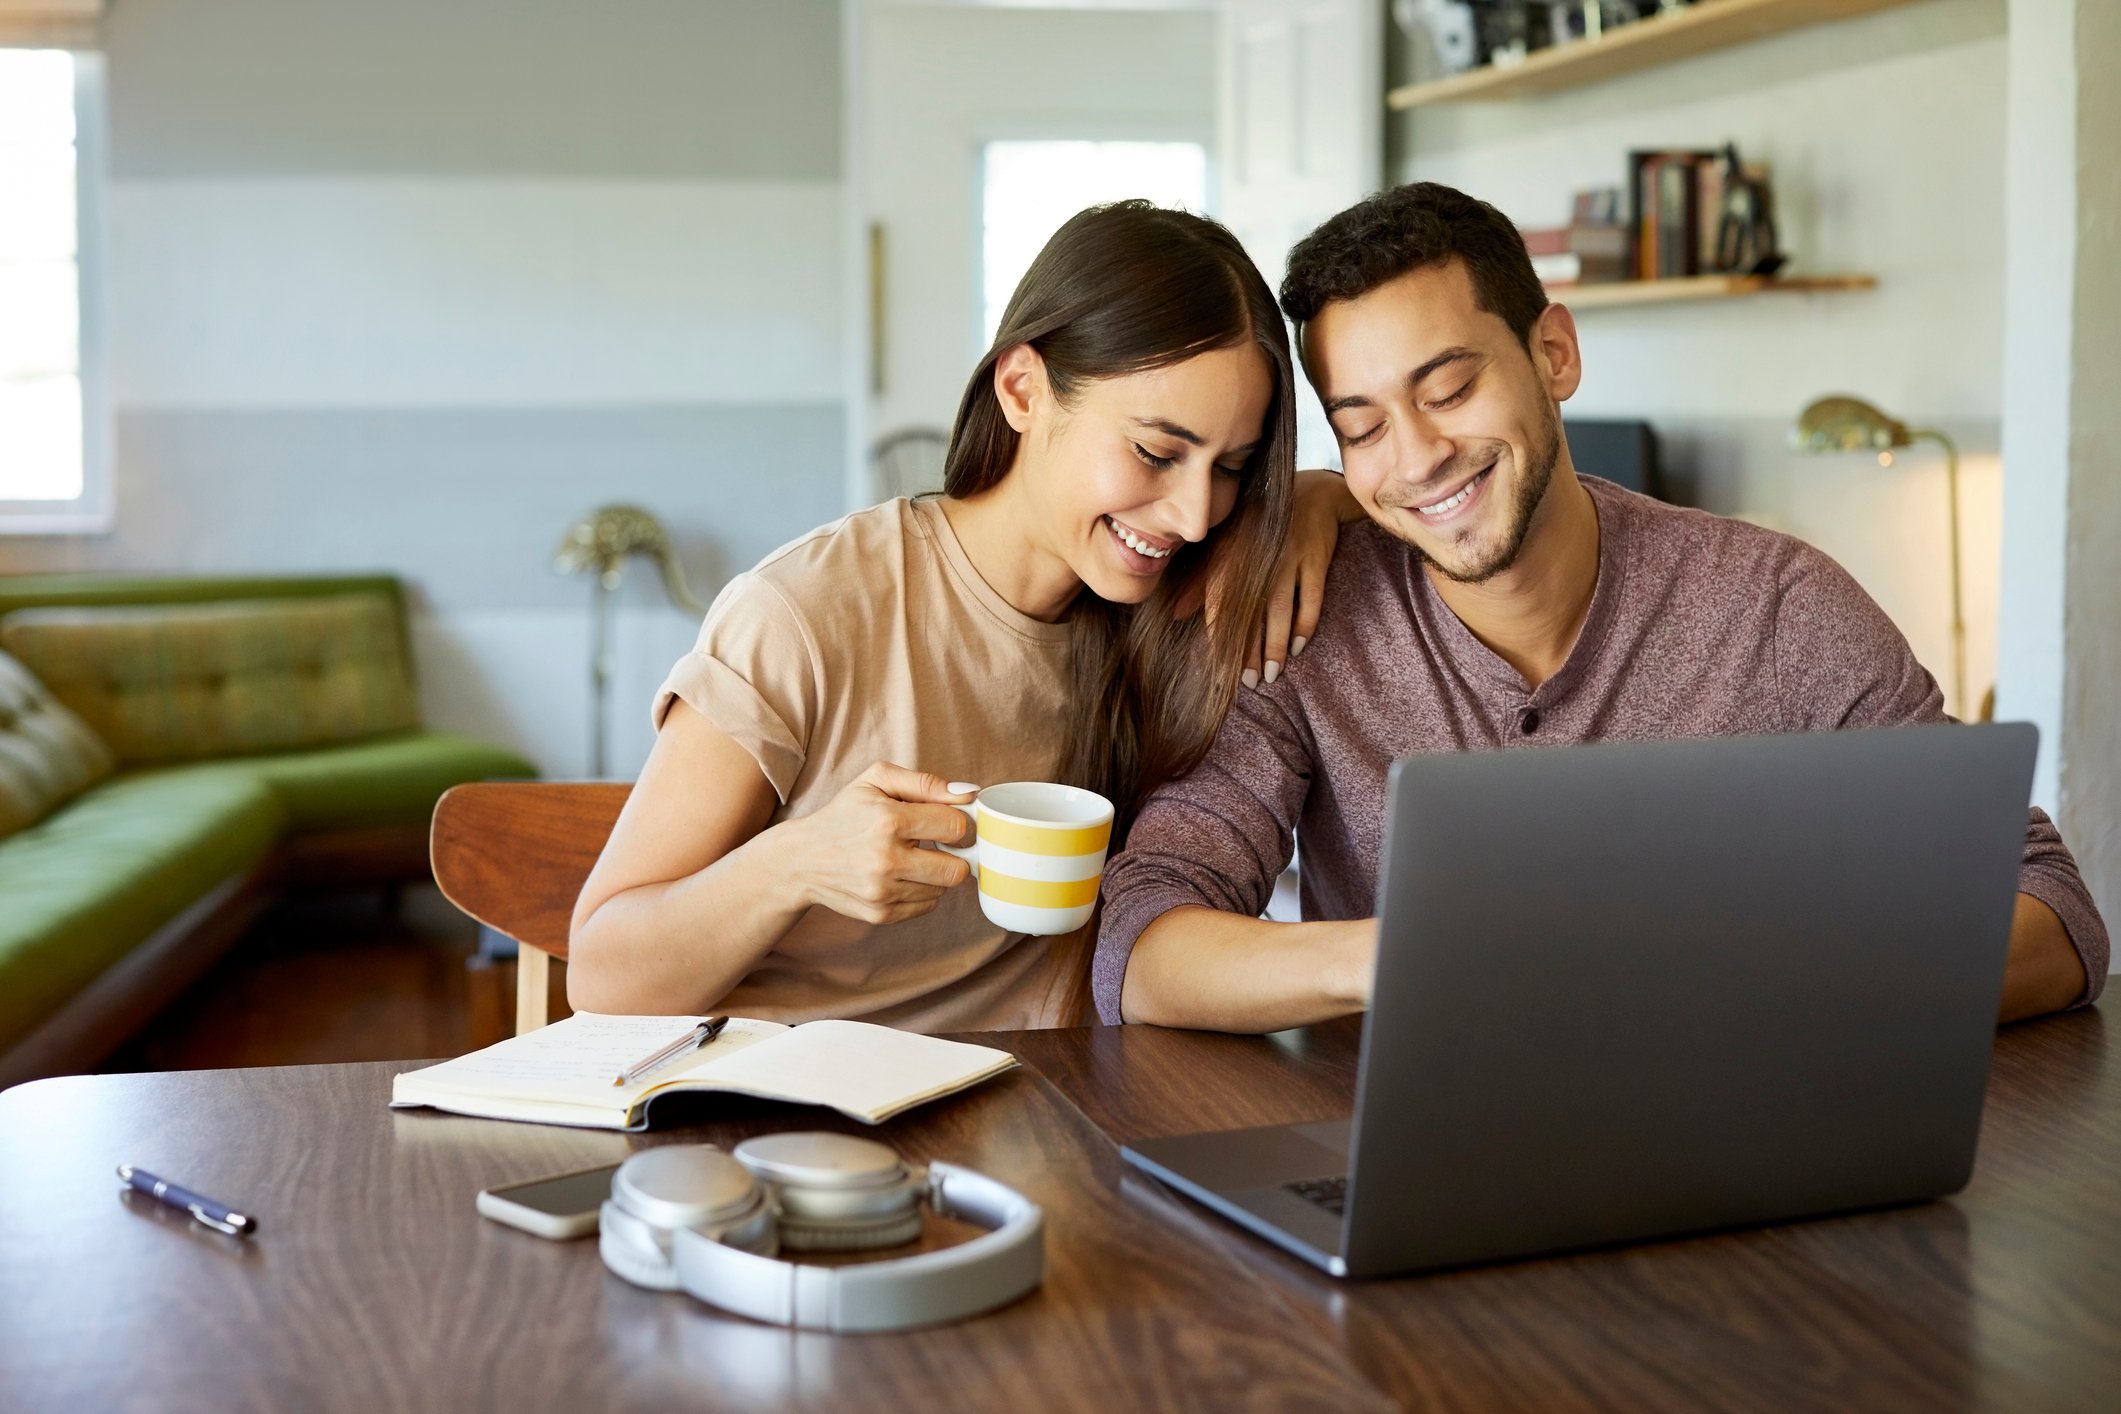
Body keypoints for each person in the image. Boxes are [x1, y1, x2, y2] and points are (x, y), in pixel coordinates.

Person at [1095, 181, 2109, 1033]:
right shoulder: (1303, 622)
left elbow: (2051, 910)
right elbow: (1142, 942)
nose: (1416, 457)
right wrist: (1396, 958)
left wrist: (1769, 986)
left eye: (1449, 389)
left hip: (1738, 1154)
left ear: (1554, 356)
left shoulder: (1777, 606)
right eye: (1361, 427)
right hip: (1430, 1170)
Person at [566, 201, 1350, 1030]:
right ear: (1021, 389)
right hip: (797, 1118)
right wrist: (790, 866)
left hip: (1048, 1120)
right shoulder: (805, 612)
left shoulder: (1187, 602)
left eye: (1229, 467)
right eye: (1155, 453)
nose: (1195, 515)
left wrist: (1315, 498)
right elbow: (603, 972)